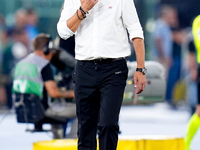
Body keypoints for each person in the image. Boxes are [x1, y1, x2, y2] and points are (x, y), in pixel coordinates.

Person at [57, 0, 146, 149]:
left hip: (114, 69)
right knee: (85, 129)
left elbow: (136, 30)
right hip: (84, 69)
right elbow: (63, 32)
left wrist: (140, 68)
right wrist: (82, 10)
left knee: (108, 124)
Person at [12, 33, 75, 138]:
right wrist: (74, 93)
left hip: (22, 109)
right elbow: (53, 93)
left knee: (58, 108)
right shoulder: (43, 64)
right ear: (47, 49)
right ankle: (73, 140)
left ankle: (58, 141)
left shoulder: (21, 63)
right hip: (41, 110)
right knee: (84, 109)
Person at [184, 15, 200, 150]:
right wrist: (193, 68)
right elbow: (192, 45)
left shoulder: (197, 21)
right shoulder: (198, 22)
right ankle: (186, 143)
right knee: (199, 111)